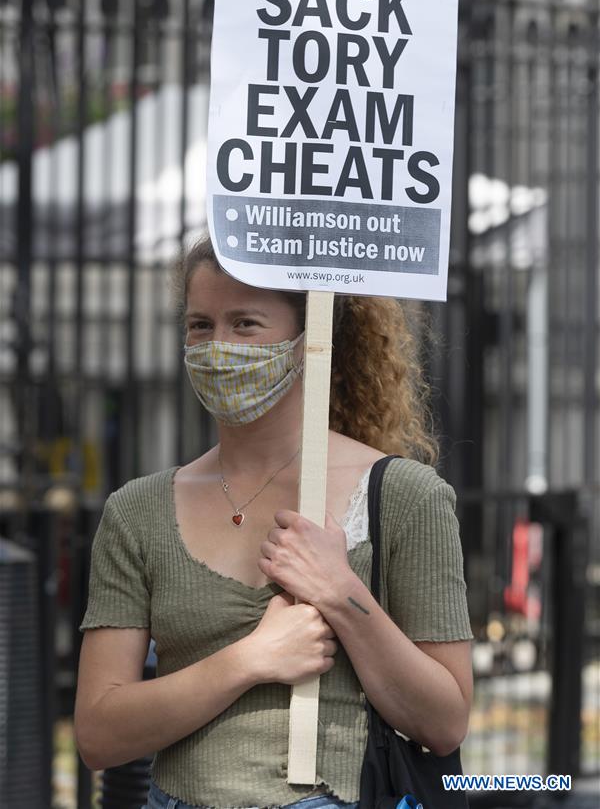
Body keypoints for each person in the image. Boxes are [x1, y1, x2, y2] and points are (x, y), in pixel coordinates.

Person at [74, 234, 473, 809]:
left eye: (245, 324)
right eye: (200, 325)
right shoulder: (137, 512)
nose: (217, 347)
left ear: (307, 340)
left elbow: (445, 722)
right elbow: (98, 733)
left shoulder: (405, 496)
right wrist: (250, 660)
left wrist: (342, 595)